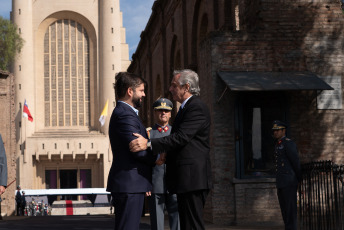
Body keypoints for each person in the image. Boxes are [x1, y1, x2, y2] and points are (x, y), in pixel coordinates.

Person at [130, 69, 212, 230]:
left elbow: (181, 137)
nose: (170, 89)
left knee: (193, 225)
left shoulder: (196, 107)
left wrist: (148, 144)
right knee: (187, 225)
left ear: (186, 87)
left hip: (192, 179)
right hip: (185, 179)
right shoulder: (185, 108)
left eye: (174, 85)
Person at [106, 72, 164, 230]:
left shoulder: (127, 114)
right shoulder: (125, 115)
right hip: (129, 184)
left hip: (131, 184)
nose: (144, 95)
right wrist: (157, 157)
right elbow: (137, 149)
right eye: (141, 90)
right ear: (130, 91)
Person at [149, 98, 180, 230]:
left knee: (176, 219)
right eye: (160, 110)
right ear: (155, 113)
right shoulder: (149, 134)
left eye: (166, 111)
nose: (163, 113)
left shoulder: (176, 133)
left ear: (170, 113)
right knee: (157, 221)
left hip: (174, 182)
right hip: (155, 183)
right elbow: (145, 161)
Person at [272, 120, 302, 230]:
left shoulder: (288, 143)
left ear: (284, 131)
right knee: (284, 211)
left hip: (289, 181)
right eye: (274, 131)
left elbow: (295, 162)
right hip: (281, 182)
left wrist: (299, 179)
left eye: (277, 130)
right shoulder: (277, 144)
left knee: (290, 211)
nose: (275, 132)